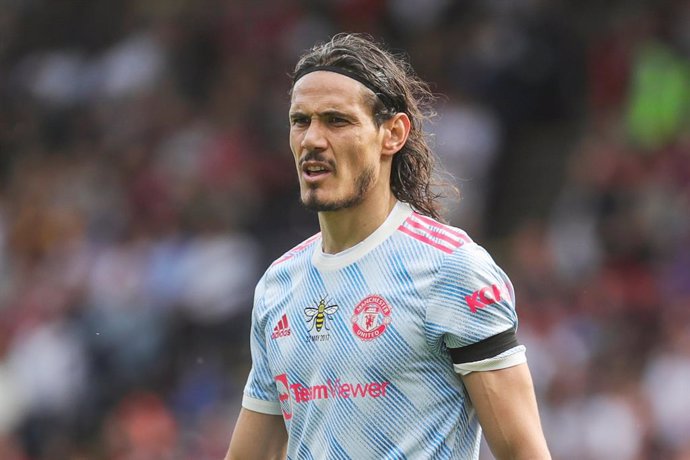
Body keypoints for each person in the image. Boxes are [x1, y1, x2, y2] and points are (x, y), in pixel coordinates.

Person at [226, 33, 550, 460]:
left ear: (393, 133)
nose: (312, 140)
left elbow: (522, 452)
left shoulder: (452, 269)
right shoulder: (279, 284)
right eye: (300, 120)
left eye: (336, 121)